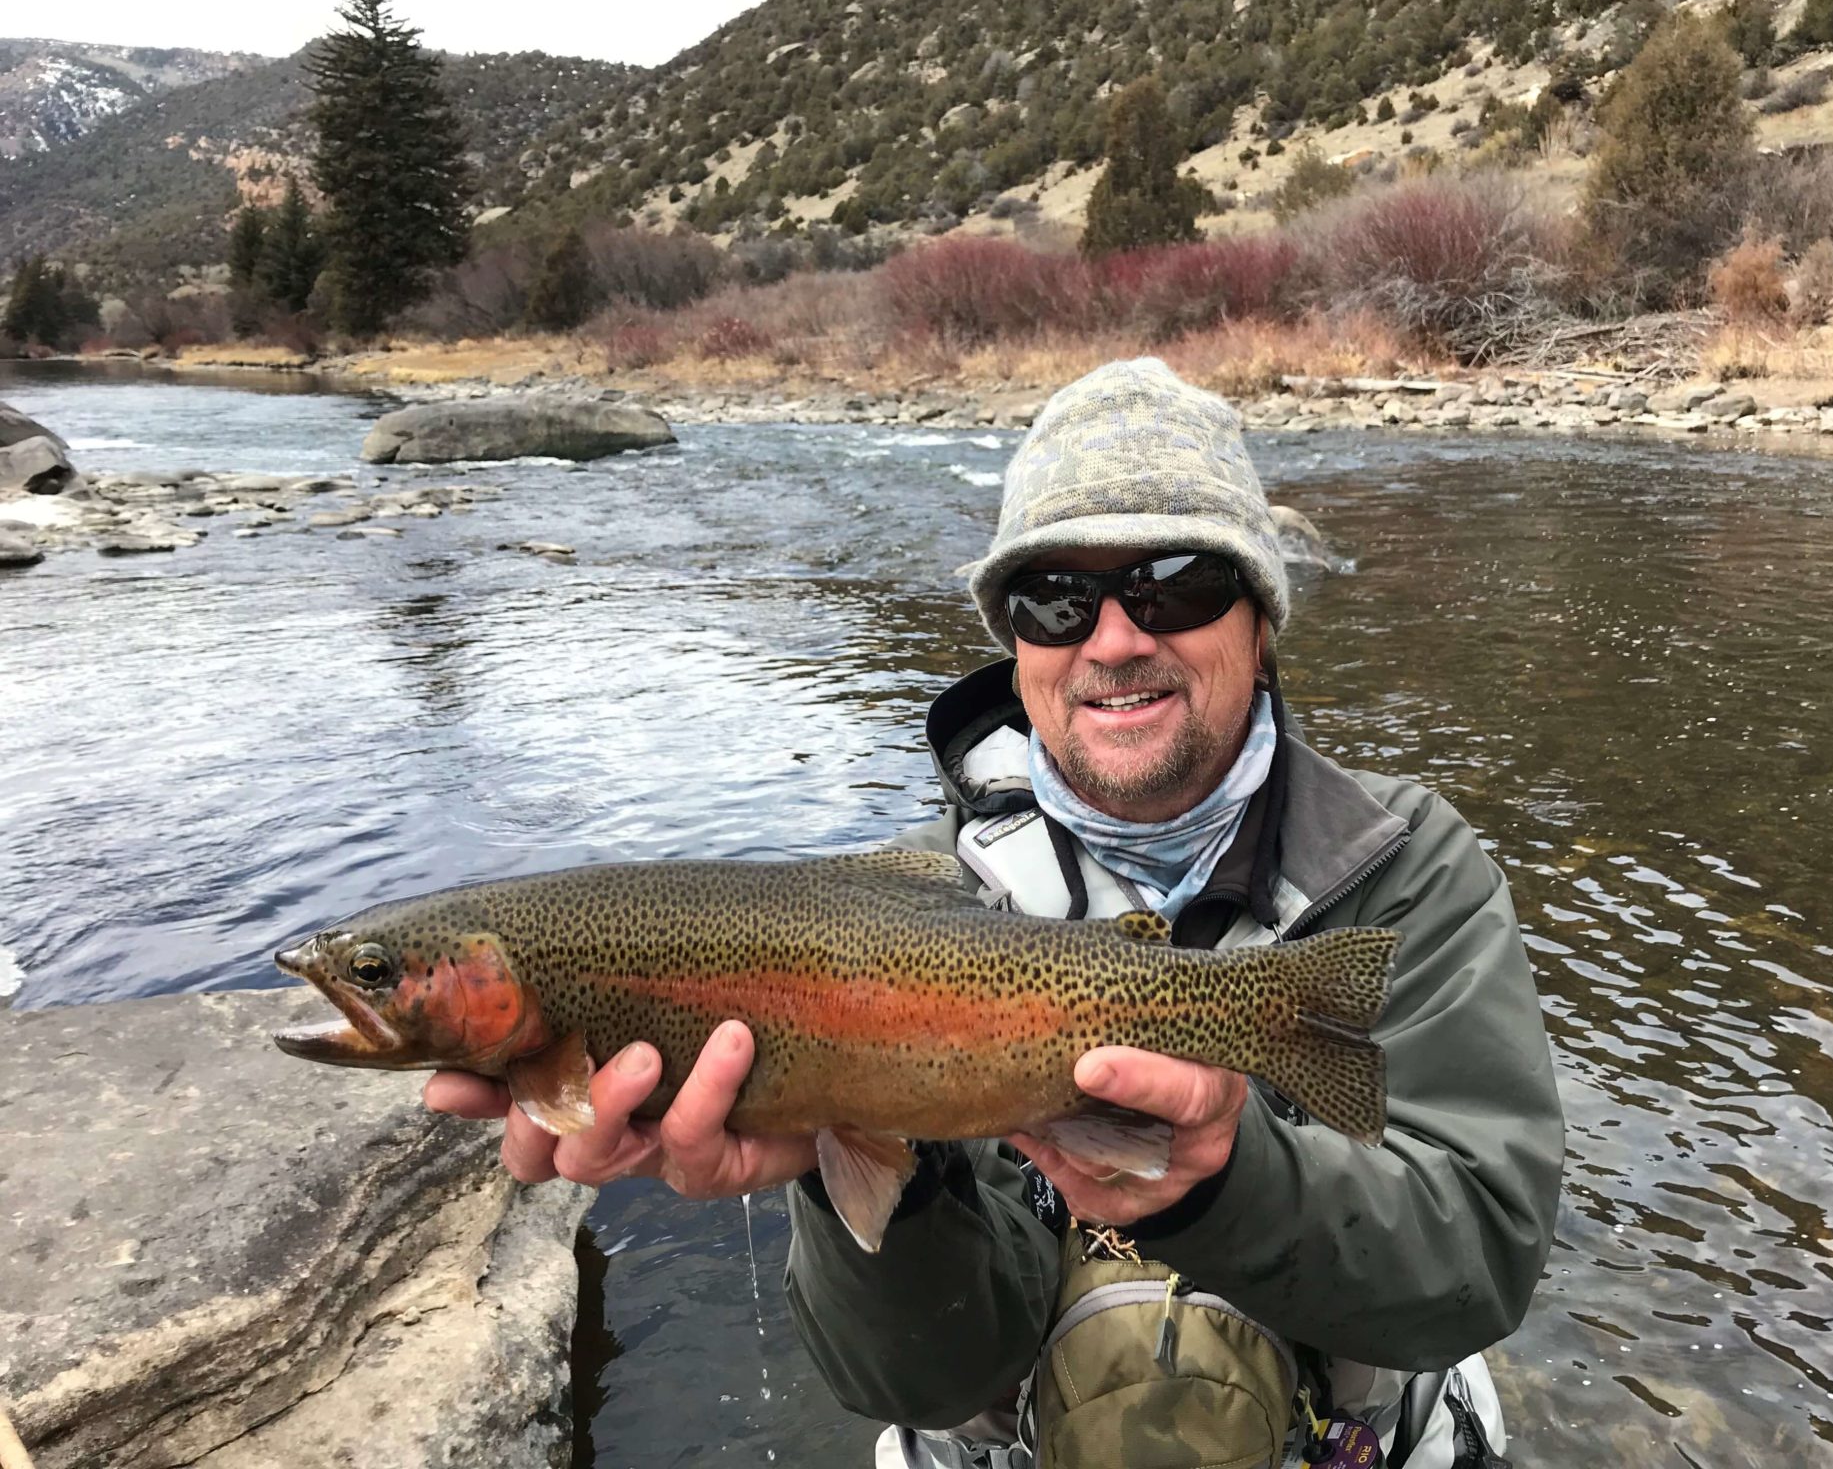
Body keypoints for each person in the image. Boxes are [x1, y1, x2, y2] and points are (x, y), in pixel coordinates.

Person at [424, 359, 1564, 1468]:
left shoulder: (1404, 868)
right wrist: (854, 1165)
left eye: (1174, 584)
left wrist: (1225, 1179)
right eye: (1055, 598)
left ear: (1260, 621)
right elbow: (917, 1380)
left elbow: (1478, 1266)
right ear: (1013, 643)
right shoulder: (908, 910)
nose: (1113, 639)